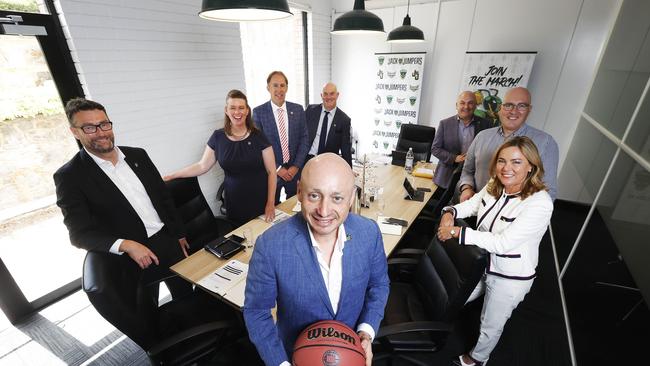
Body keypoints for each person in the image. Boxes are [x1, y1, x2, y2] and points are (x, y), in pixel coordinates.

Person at [243, 153, 390, 366]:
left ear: (351, 198)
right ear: (300, 192)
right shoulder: (270, 246)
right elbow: (256, 311)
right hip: (296, 358)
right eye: (314, 196)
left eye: (337, 198)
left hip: (351, 356)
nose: (324, 210)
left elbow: (379, 285)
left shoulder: (369, 233)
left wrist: (366, 333)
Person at [53, 97, 191, 306]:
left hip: (167, 241)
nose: (101, 132)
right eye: (90, 127)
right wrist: (126, 245)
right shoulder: (70, 176)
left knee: (186, 294)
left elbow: (164, 198)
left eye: (104, 124)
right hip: (131, 258)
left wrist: (178, 233)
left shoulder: (138, 155)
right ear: (75, 132)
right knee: (147, 311)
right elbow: (79, 234)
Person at [437, 136, 554, 366]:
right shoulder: (494, 185)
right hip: (478, 263)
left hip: (508, 276)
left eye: (516, 162)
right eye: (502, 160)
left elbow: (503, 242)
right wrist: (450, 212)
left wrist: (455, 233)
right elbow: (472, 205)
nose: (506, 168)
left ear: (531, 166)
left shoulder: (540, 204)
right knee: (450, 301)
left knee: (490, 323)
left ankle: (476, 359)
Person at [163, 90, 276, 226]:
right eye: (232, 108)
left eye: (241, 108)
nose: (237, 112)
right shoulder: (218, 137)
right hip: (235, 202)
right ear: (226, 111)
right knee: (241, 238)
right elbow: (202, 166)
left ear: (247, 111)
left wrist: (270, 203)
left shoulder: (259, 137)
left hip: (260, 200)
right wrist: (174, 175)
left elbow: (272, 172)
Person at [458, 87, 559, 202]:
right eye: (508, 105)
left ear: (529, 109)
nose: (513, 111)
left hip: (514, 217)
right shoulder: (482, 136)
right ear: (501, 108)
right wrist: (467, 188)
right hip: (473, 208)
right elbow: (467, 171)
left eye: (521, 106)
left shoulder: (545, 143)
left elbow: (548, 191)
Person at [253, 71, 309, 203]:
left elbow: (304, 139)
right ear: (268, 88)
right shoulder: (258, 113)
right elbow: (258, 146)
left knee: (297, 207)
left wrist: (296, 166)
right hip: (272, 172)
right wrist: (277, 168)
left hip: (295, 172)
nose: (279, 90)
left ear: (287, 88)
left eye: (282, 85)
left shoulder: (298, 109)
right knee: (272, 208)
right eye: (275, 85)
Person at [431, 90, 488, 191]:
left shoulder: (485, 125)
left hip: (473, 179)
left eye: (470, 103)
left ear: (475, 106)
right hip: (446, 177)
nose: (466, 107)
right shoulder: (445, 124)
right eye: (462, 103)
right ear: (456, 105)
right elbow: (435, 149)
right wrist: (454, 158)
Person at [305, 82, 352, 166]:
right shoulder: (310, 111)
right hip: (307, 160)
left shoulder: (344, 120)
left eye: (332, 94)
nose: (328, 97)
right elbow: (300, 136)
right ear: (321, 95)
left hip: (328, 164)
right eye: (325, 94)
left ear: (337, 95)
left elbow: (346, 149)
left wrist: (349, 169)